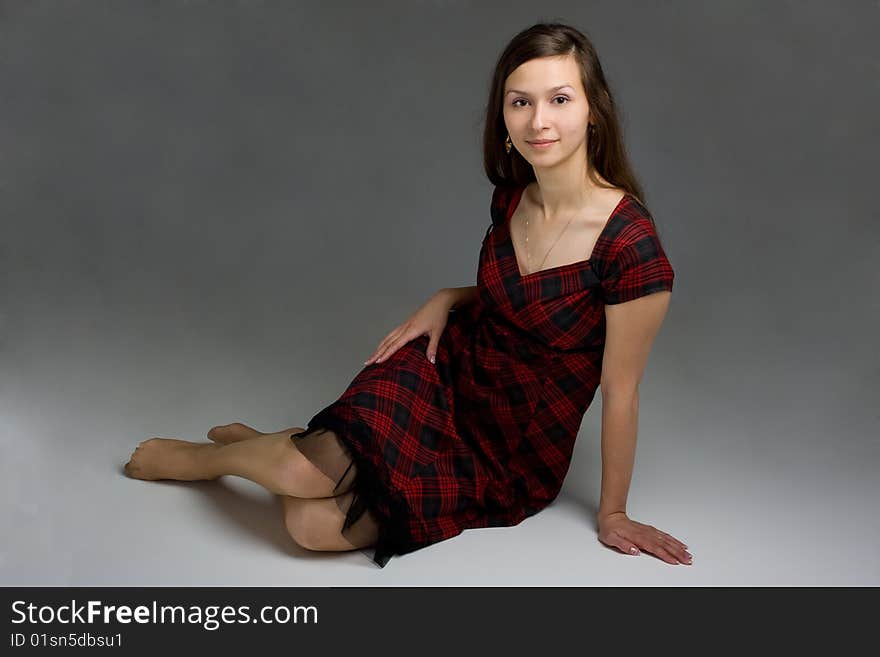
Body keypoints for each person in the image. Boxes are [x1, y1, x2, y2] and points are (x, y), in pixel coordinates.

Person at [124, 21, 692, 569]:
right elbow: (523, 300)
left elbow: (621, 390)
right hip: (445, 374)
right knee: (301, 477)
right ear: (503, 113)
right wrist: (448, 297)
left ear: (595, 110)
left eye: (560, 99)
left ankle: (273, 447)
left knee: (308, 530)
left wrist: (614, 511)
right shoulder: (514, 198)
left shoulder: (631, 246)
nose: (538, 121)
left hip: (510, 449)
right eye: (520, 101)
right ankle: (203, 460)